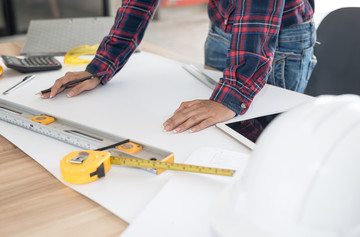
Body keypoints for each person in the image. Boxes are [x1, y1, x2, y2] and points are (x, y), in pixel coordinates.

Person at [41, 0, 316, 134]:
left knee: (262, 144)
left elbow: (257, 14)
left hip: (279, 38)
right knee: (210, 133)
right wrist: (102, 65)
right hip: (223, 25)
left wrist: (232, 95)